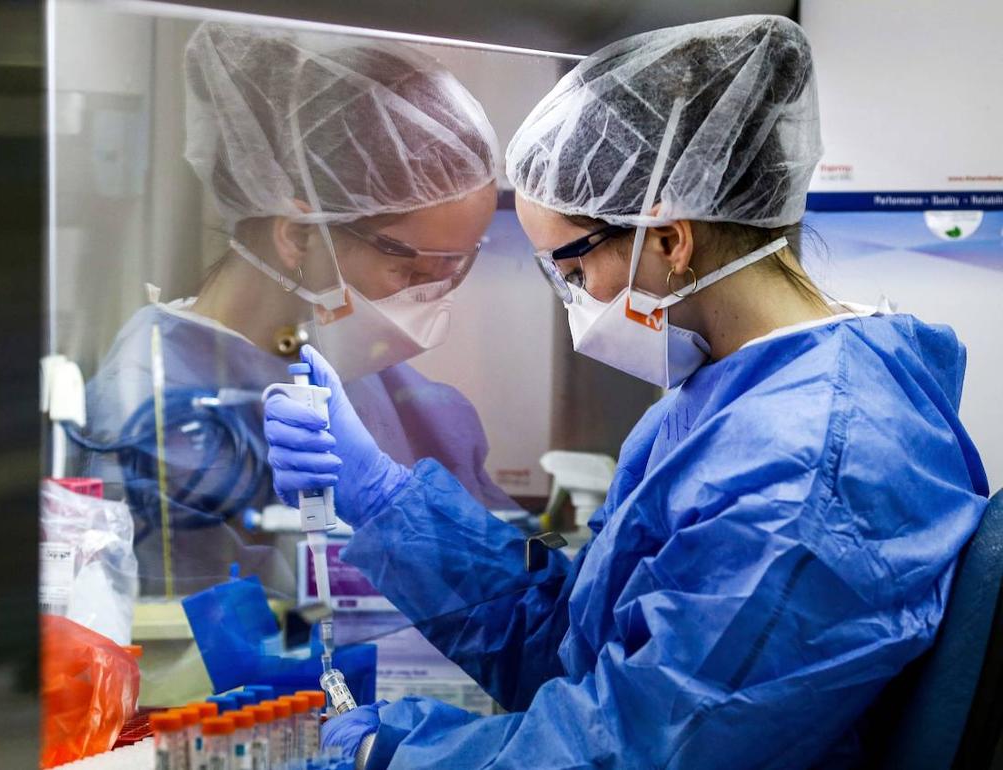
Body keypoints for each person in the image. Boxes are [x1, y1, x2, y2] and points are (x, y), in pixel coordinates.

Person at [264, 15, 990, 769]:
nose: (574, 301)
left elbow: (644, 748)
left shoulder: (806, 470)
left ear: (671, 240)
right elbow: (572, 643)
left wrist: (399, 753)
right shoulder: (722, 401)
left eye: (574, 275)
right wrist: (381, 497)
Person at [73, 22, 513, 600]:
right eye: (409, 271)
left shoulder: (378, 386)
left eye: (454, 270)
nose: (429, 302)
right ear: (298, 238)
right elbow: (186, 641)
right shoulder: (153, 414)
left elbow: (510, 579)